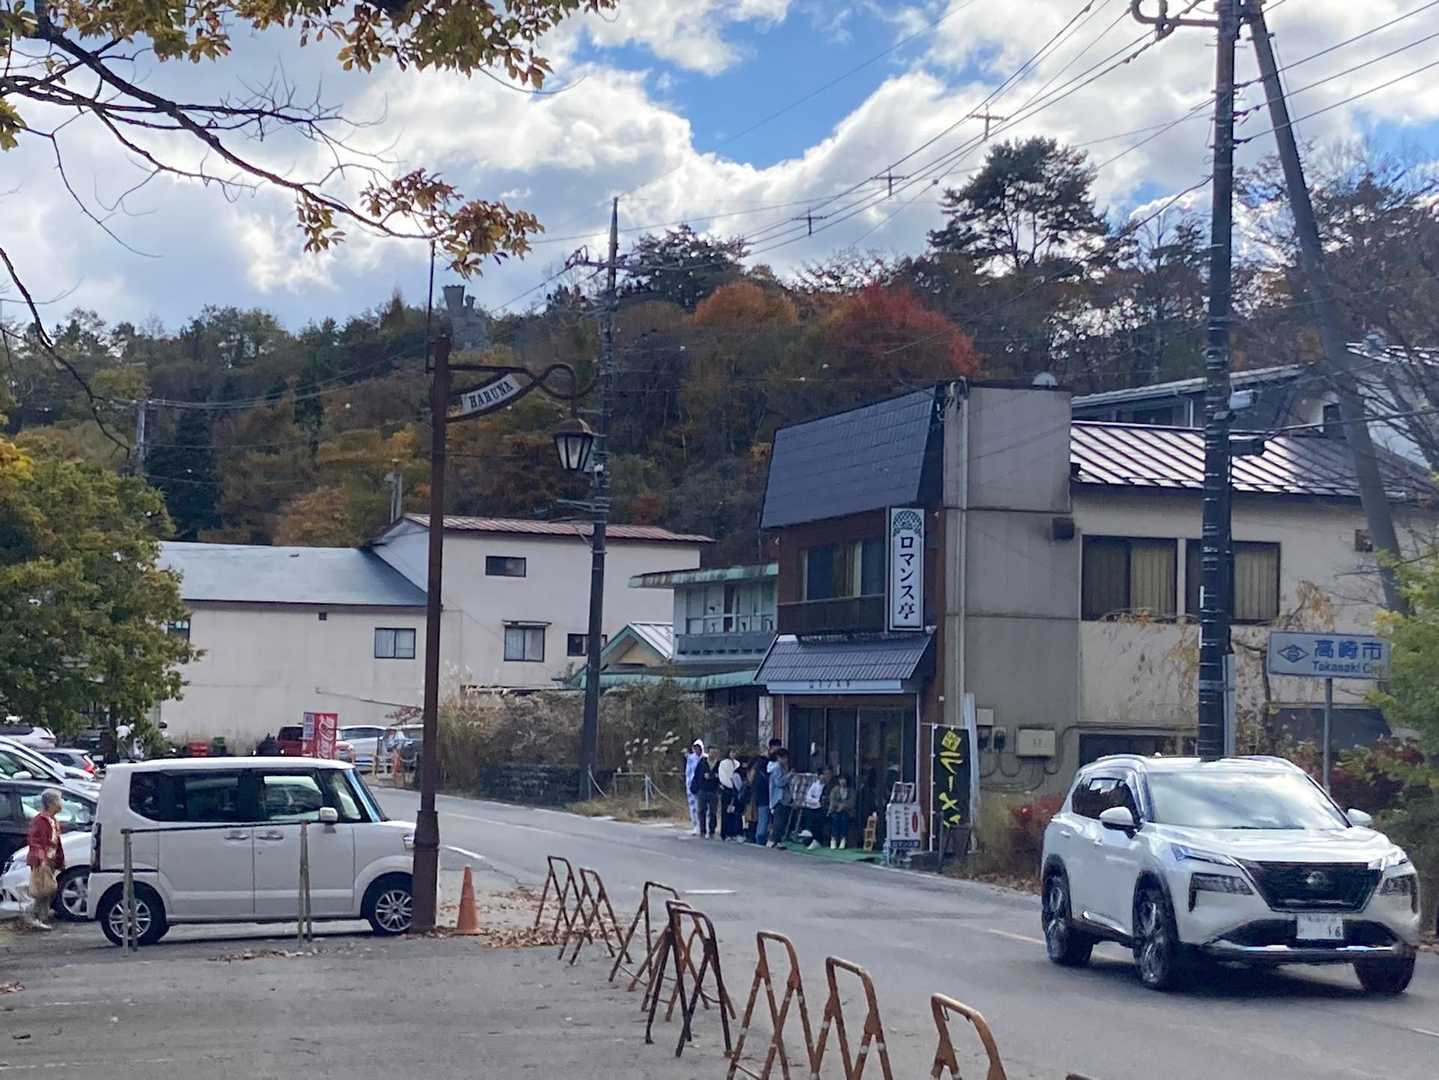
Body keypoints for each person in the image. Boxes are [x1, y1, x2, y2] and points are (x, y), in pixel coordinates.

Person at [24, 788, 66, 930]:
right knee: (42, 890)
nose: (62, 803)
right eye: (60, 800)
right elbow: (34, 840)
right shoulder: (40, 820)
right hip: (41, 861)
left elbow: (56, 843)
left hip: (50, 861)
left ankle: (41, 918)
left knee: (48, 890)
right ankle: (32, 915)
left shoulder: (53, 820)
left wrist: (59, 861)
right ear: (52, 803)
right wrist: (41, 858)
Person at [690, 746, 721, 839]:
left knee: (713, 812)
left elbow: (721, 776)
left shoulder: (719, 764)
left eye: (715, 753)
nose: (713, 755)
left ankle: (712, 830)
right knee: (701, 811)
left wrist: (715, 776)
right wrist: (703, 778)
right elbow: (697, 775)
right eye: (711, 752)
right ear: (708, 753)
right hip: (703, 789)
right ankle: (702, 830)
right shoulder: (702, 762)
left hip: (713, 790)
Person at [767, 748, 792, 848]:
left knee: (781, 821)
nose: (786, 760)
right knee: (778, 821)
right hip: (778, 798)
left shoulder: (782, 768)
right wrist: (788, 776)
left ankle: (777, 840)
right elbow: (779, 783)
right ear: (778, 758)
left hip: (784, 798)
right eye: (784, 758)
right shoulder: (776, 769)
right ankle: (773, 840)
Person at [801, 768, 829, 850]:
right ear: (819, 776)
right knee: (810, 825)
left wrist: (819, 802)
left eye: (825, 775)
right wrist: (817, 801)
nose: (824, 776)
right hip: (812, 808)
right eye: (822, 775)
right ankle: (809, 841)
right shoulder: (814, 785)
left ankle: (818, 841)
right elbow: (808, 798)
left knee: (819, 826)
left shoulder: (826, 786)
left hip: (821, 809)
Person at [828, 772, 856, 849]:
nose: (842, 781)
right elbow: (832, 801)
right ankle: (833, 839)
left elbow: (852, 802)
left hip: (847, 811)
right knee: (835, 818)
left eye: (844, 779)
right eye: (841, 779)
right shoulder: (835, 790)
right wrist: (838, 806)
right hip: (835, 810)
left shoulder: (851, 790)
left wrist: (843, 806)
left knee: (844, 818)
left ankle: (843, 839)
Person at [684, 740, 704, 836]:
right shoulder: (691, 758)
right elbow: (688, 772)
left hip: (703, 785)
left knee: (702, 807)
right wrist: (688, 784)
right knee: (693, 807)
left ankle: (704, 826)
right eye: (695, 748)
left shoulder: (705, 758)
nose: (697, 750)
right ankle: (696, 826)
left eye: (698, 748)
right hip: (692, 785)